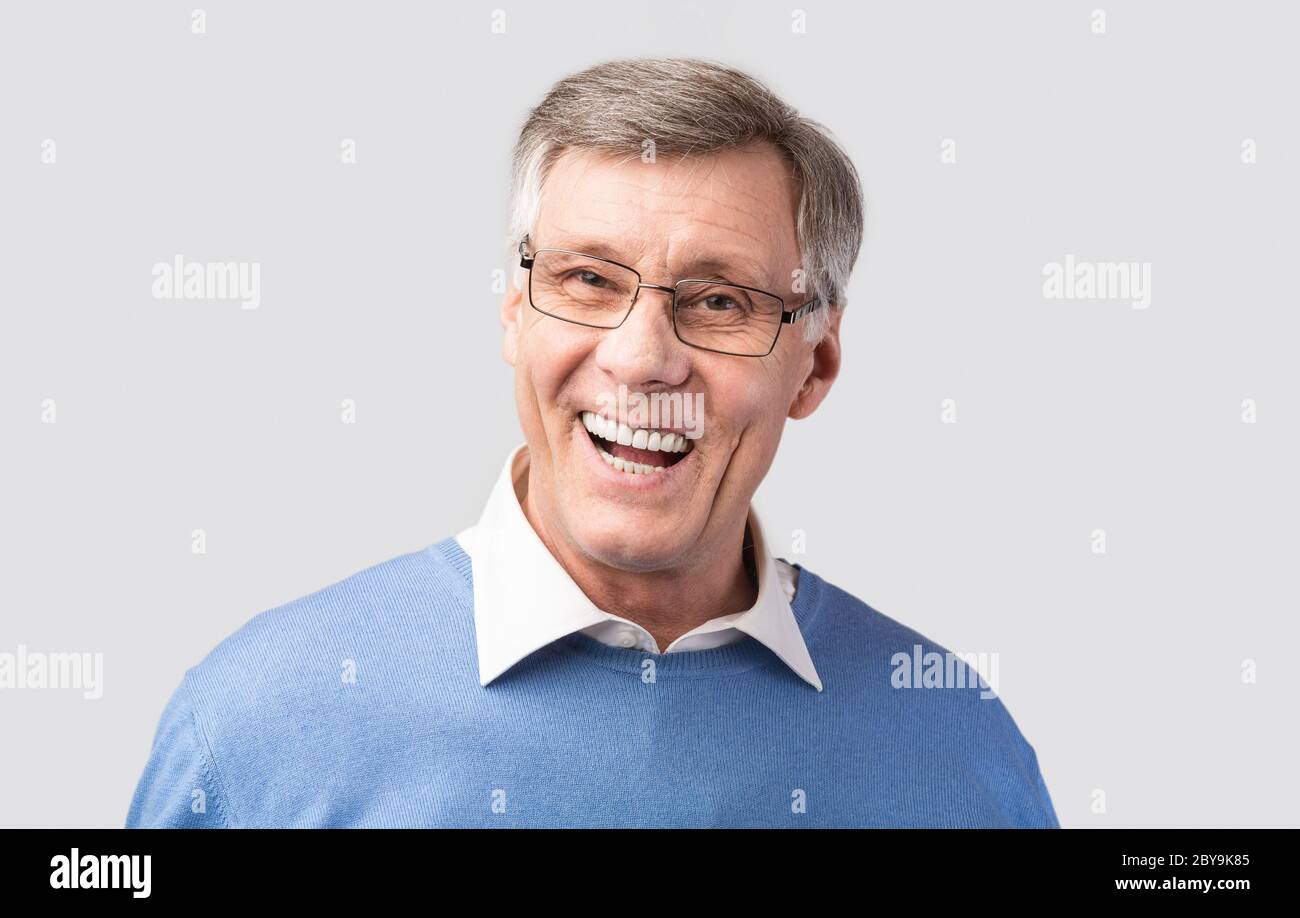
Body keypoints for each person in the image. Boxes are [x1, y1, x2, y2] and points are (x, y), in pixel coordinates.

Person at [126, 58, 1059, 828]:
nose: (643, 359)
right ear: (513, 313)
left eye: (720, 300)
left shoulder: (954, 747)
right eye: (586, 281)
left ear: (814, 365)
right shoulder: (258, 724)